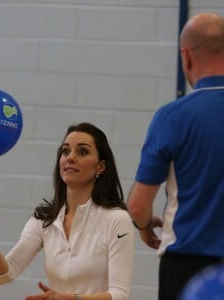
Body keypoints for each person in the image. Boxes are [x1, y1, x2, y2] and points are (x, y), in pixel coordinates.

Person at [0, 122, 135, 300]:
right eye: (65, 151)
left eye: (82, 152)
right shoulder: (44, 219)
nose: (70, 158)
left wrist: (73, 299)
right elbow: (4, 274)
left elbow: (120, 295)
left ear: (101, 167)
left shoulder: (117, 219)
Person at [126, 12, 224, 300]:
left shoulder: (172, 117)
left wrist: (144, 226)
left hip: (187, 266)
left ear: (186, 56)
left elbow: (137, 206)